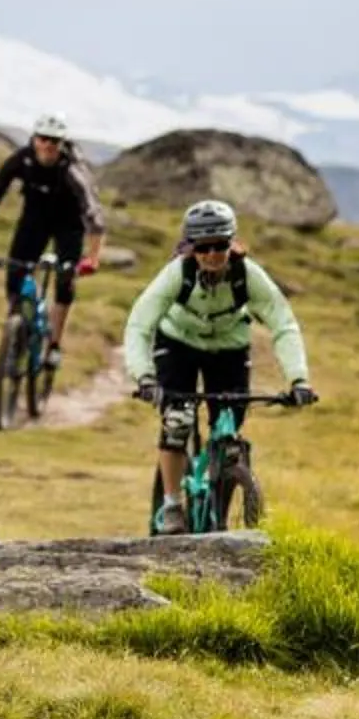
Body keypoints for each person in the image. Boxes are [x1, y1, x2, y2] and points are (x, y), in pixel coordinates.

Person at [122, 199, 317, 534]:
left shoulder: (247, 275)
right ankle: (171, 505)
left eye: (221, 246)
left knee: (229, 426)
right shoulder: (176, 274)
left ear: (232, 243)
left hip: (228, 348)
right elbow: (139, 325)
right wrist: (145, 377)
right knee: (177, 421)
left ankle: (222, 498)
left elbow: (283, 323)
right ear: (190, 248)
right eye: (204, 247)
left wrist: (299, 379)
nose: (212, 254)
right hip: (178, 342)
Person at [0, 112, 106, 349]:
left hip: (69, 223)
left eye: (54, 140)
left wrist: (92, 258)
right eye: (43, 138)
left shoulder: (71, 170)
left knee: (64, 280)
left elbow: (94, 216)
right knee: (15, 275)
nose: (48, 145)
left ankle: (53, 344)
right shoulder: (21, 160)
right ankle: (17, 327)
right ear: (34, 139)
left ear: (61, 144)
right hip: (34, 219)